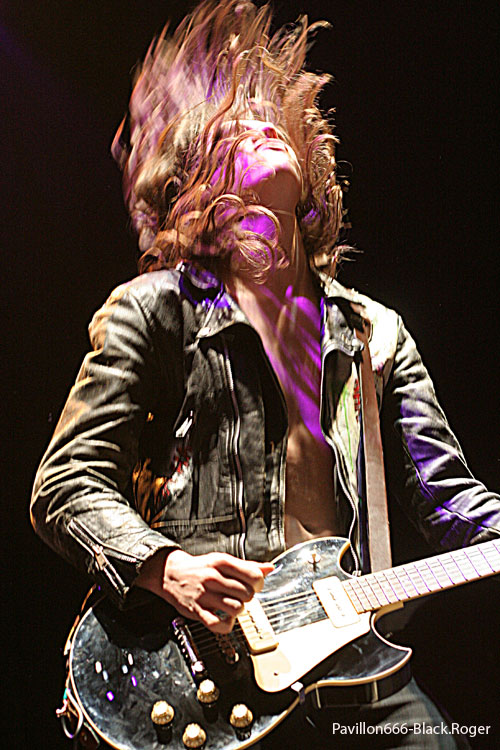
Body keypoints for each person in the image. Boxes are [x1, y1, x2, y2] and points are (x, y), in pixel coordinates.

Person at [31, 1, 500, 748]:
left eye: (271, 123)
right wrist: (165, 567)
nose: (262, 127)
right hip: (199, 669)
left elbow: (449, 501)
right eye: (234, 131)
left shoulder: (374, 333)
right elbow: (65, 484)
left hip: (349, 663)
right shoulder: (154, 312)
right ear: (196, 184)